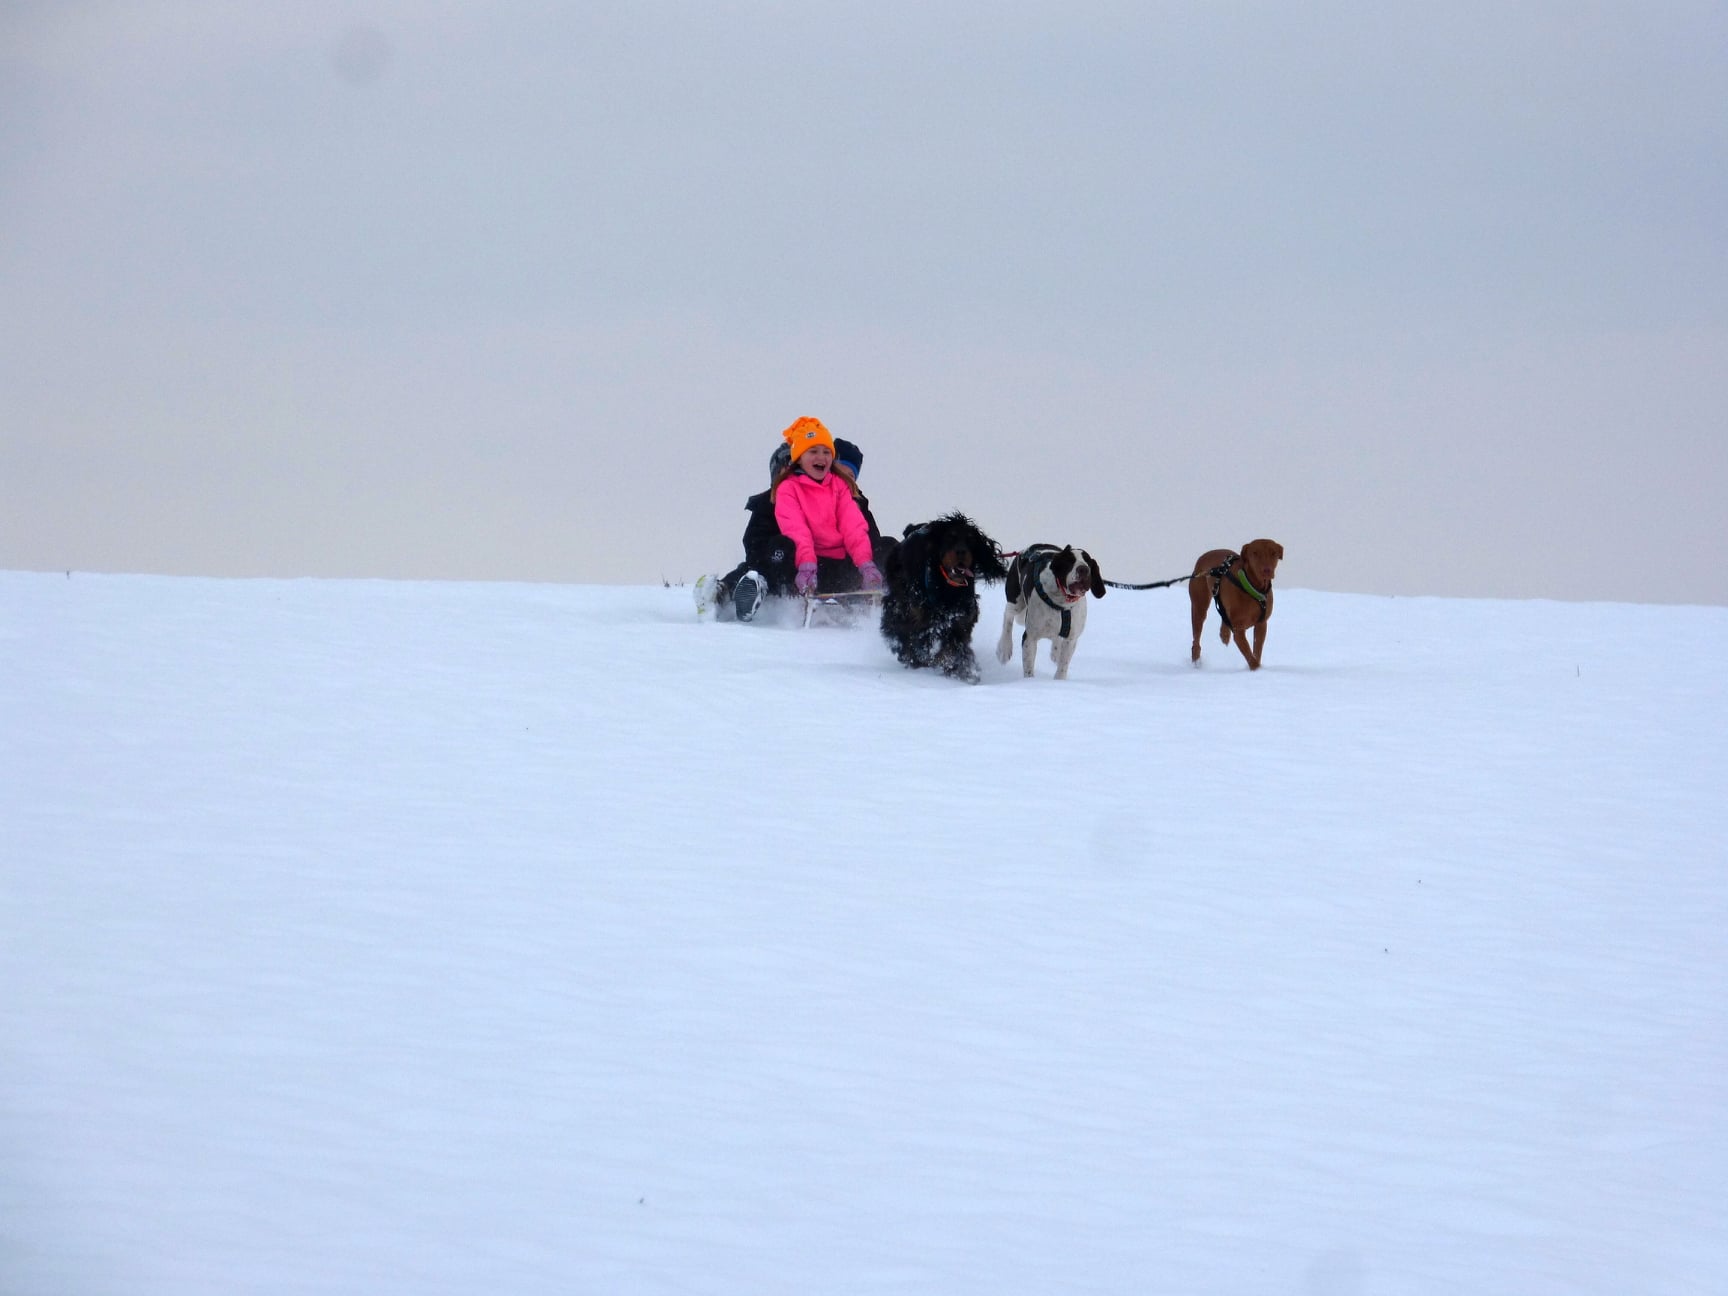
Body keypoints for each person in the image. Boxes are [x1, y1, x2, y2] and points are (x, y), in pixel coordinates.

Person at [694, 419, 892, 623]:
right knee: (773, 554)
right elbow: (783, 535)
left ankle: (886, 596)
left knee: (887, 548)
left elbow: (861, 532)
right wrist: (804, 564)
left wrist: (867, 565)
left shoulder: (848, 496)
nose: (844, 477)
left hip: (836, 564)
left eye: (850, 475)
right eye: (813, 453)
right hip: (790, 566)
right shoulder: (778, 496)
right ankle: (731, 593)